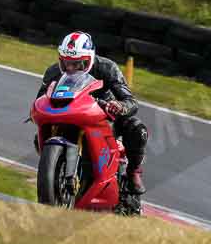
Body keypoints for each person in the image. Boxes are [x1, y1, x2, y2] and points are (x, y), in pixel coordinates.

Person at [35, 32, 148, 194]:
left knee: (138, 129)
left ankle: (133, 172)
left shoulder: (107, 67)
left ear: (89, 59)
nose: (71, 68)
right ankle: (54, 170)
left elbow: (131, 101)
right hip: (69, 114)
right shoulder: (53, 72)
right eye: (67, 63)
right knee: (37, 139)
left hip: (104, 116)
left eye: (77, 64)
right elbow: (41, 98)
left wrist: (119, 106)